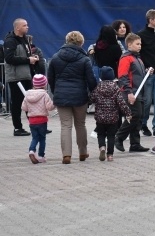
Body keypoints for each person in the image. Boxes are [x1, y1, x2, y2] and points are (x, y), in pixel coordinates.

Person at [47, 30, 97, 164]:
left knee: (65, 125)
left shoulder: (55, 57)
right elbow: (91, 79)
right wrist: (93, 93)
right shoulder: (85, 59)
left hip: (61, 95)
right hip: (79, 96)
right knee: (80, 124)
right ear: (81, 43)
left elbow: (50, 78)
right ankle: (83, 152)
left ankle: (66, 155)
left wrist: (55, 91)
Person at [114, 33, 153, 153]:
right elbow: (123, 76)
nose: (140, 46)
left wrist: (146, 72)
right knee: (135, 115)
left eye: (140, 43)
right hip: (130, 92)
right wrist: (129, 92)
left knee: (139, 117)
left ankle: (135, 143)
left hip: (138, 92)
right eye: (137, 44)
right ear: (129, 44)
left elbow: (136, 75)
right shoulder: (126, 58)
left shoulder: (138, 59)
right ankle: (119, 137)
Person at [90, 66, 131, 162]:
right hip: (113, 118)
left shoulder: (98, 87)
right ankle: (110, 155)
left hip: (100, 117)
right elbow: (121, 103)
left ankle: (102, 147)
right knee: (111, 136)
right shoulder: (116, 88)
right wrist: (128, 112)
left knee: (101, 134)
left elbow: (91, 98)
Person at [4, 18, 38, 136]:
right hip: (16, 77)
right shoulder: (10, 41)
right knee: (17, 102)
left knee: (30, 101)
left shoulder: (25, 39)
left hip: (26, 75)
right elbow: (9, 58)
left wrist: (33, 58)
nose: (27, 27)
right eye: (24, 25)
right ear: (17, 27)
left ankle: (35, 125)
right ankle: (17, 128)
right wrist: (28, 60)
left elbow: (27, 54)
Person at [137, 9, 155, 138]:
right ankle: (143, 124)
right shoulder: (141, 35)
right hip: (148, 74)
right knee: (147, 101)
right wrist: (145, 67)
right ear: (151, 20)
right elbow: (138, 54)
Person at [21, 73, 54, 164]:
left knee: (34, 137)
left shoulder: (27, 94)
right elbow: (49, 107)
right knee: (42, 138)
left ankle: (31, 150)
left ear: (33, 84)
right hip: (42, 120)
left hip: (32, 121)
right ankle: (41, 156)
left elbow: (24, 108)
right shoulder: (44, 95)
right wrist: (55, 103)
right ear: (44, 84)